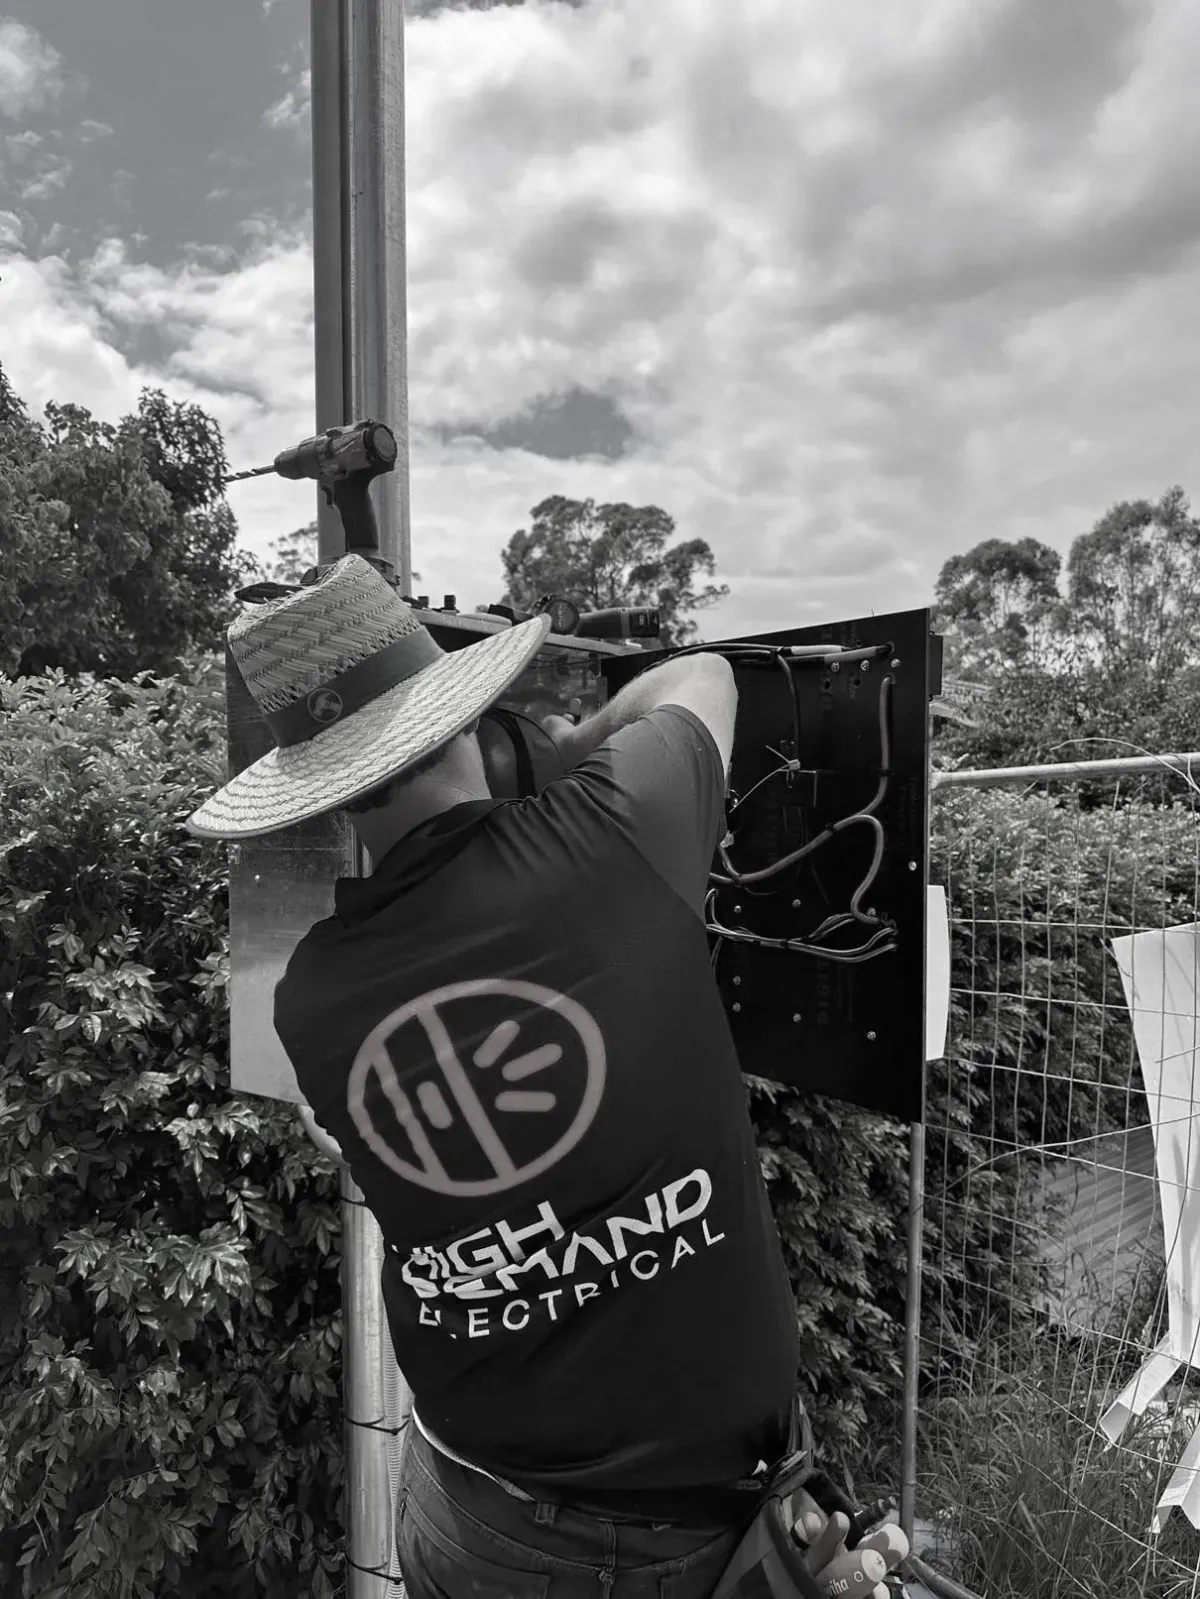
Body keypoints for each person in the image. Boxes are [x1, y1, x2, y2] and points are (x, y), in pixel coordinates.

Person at [186, 554, 802, 1598]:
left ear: (325, 796)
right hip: (657, 1547)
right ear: (475, 724)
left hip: (462, 1506)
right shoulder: (612, 833)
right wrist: (579, 744)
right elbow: (707, 679)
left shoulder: (312, 997)